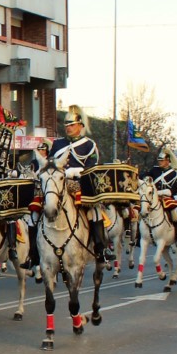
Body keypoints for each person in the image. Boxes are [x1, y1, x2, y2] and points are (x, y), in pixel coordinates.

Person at [38, 105, 112, 263]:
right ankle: (34, 251)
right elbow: (50, 164)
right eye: (66, 126)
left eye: (72, 125)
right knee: (37, 207)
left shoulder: (89, 145)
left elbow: (92, 166)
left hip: (81, 184)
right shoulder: (57, 144)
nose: (68, 128)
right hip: (59, 184)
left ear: (80, 126)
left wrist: (74, 172)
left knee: (94, 210)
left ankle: (100, 248)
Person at [145, 147, 177, 247]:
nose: (160, 162)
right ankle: (138, 235)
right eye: (159, 160)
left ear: (168, 161)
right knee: (142, 208)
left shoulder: (173, 174)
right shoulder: (154, 170)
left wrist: (161, 192)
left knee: (176, 211)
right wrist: (145, 177)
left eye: (162, 161)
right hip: (154, 198)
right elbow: (146, 176)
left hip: (167, 197)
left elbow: (174, 189)